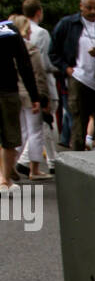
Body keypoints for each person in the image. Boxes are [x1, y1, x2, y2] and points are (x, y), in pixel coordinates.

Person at [48, 0, 95, 153]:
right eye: (89, 8)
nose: (92, 12)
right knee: (79, 127)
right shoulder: (68, 24)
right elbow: (53, 52)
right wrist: (66, 69)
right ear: (81, 6)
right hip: (79, 79)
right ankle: (77, 165)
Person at [9, 14, 53, 180]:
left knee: (19, 133)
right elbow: (39, 75)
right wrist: (43, 97)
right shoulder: (30, 49)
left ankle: (9, 165)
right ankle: (34, 168)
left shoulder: (7, 49)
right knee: (35, 132)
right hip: (30, 95)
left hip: (14, 94)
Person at [0, 17, 40, 188]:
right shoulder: (9, 29)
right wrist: (34, 95)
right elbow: (24, 63)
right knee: (10, 137)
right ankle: (4, 179)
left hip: (8, 90)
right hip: (8, 89)